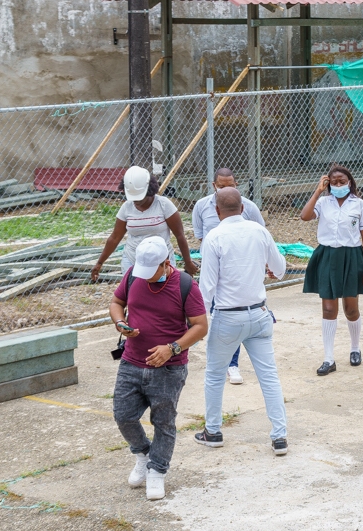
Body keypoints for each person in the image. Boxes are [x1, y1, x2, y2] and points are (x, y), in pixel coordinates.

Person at [110, 236, 208, 501]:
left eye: (151, 273)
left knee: (163, 421)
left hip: (169, 369)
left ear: (166, 264)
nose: (145, 278)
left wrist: (171, 348)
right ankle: (143, 454)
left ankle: (157, 470)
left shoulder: (186, 285)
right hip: (132, 360)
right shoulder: (133, 276)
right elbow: (116, 303)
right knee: (123, 415)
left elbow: (200, 326)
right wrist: (120, 323)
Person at [194, 188, 289, 456]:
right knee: (268, 376)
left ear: (216, 211)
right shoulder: (260, 231)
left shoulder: (214, 237)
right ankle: (279, 436)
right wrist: (266, 269)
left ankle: (213, 431)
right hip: (259, 314)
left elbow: (207, 287)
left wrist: (200, 323)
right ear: (244, 208)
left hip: (228, 316)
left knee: (214, 375)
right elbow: (280, 270)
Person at [192, 167, 267, 387]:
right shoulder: (201, 207)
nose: (227, 189)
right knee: (215, 315)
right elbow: (200, 237)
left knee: (235, 315)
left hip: (239, 273)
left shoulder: (249, 208)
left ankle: (232, 364)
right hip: (212, 271)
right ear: (214, 186)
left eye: (231, 185)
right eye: (222, 185)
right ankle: (218, 361)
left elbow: (262, 237)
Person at [299, 164, 363, 376]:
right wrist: (318, 191)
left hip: (351, 257)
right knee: (329, 309)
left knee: (351, 308)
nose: (338, 185)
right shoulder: (323, 202)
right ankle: (329, 358)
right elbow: (305, 216)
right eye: (334, 182)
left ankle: (355, 348)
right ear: (328, 183)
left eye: (342, 181)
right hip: (327, 256)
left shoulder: (359, 205)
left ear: (349, 182)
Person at [91, 165, 198, 281]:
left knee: (163, 295)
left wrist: (187, 262)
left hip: (161, 262)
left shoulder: (164, 205)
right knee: (135, 295)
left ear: (149, 190)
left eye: (140, 198)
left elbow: (180, 235)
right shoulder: (126, 208)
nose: (136, 201)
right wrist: (99, 263)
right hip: (132, 259)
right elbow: (115, 237)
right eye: (133, 198)